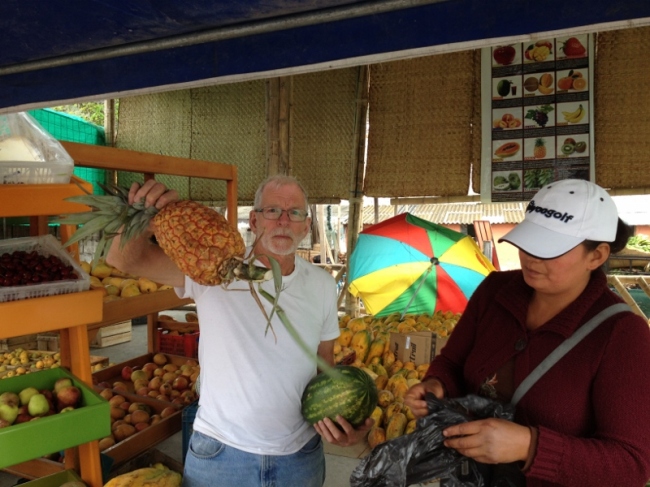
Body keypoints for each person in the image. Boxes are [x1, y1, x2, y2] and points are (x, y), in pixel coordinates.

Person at [106, 175, 372, 487]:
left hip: (300, 457)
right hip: (221, 456)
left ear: (306, 225)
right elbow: (122, 258)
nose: (283, 221)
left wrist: (347, 425)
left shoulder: (323, 286)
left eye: (295, 213)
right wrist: (146, 214)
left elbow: (324, 369)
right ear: (255, 220)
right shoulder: (212, 267)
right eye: (273, 210)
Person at [404, 179, 650, 486]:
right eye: (529, 242)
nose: (531, 257)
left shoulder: (622, 333)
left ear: (596, 256)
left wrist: (529, 446)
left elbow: (632, 463)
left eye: (549, 250)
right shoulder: (495, 291)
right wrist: (437, 384)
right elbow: (452, 362)